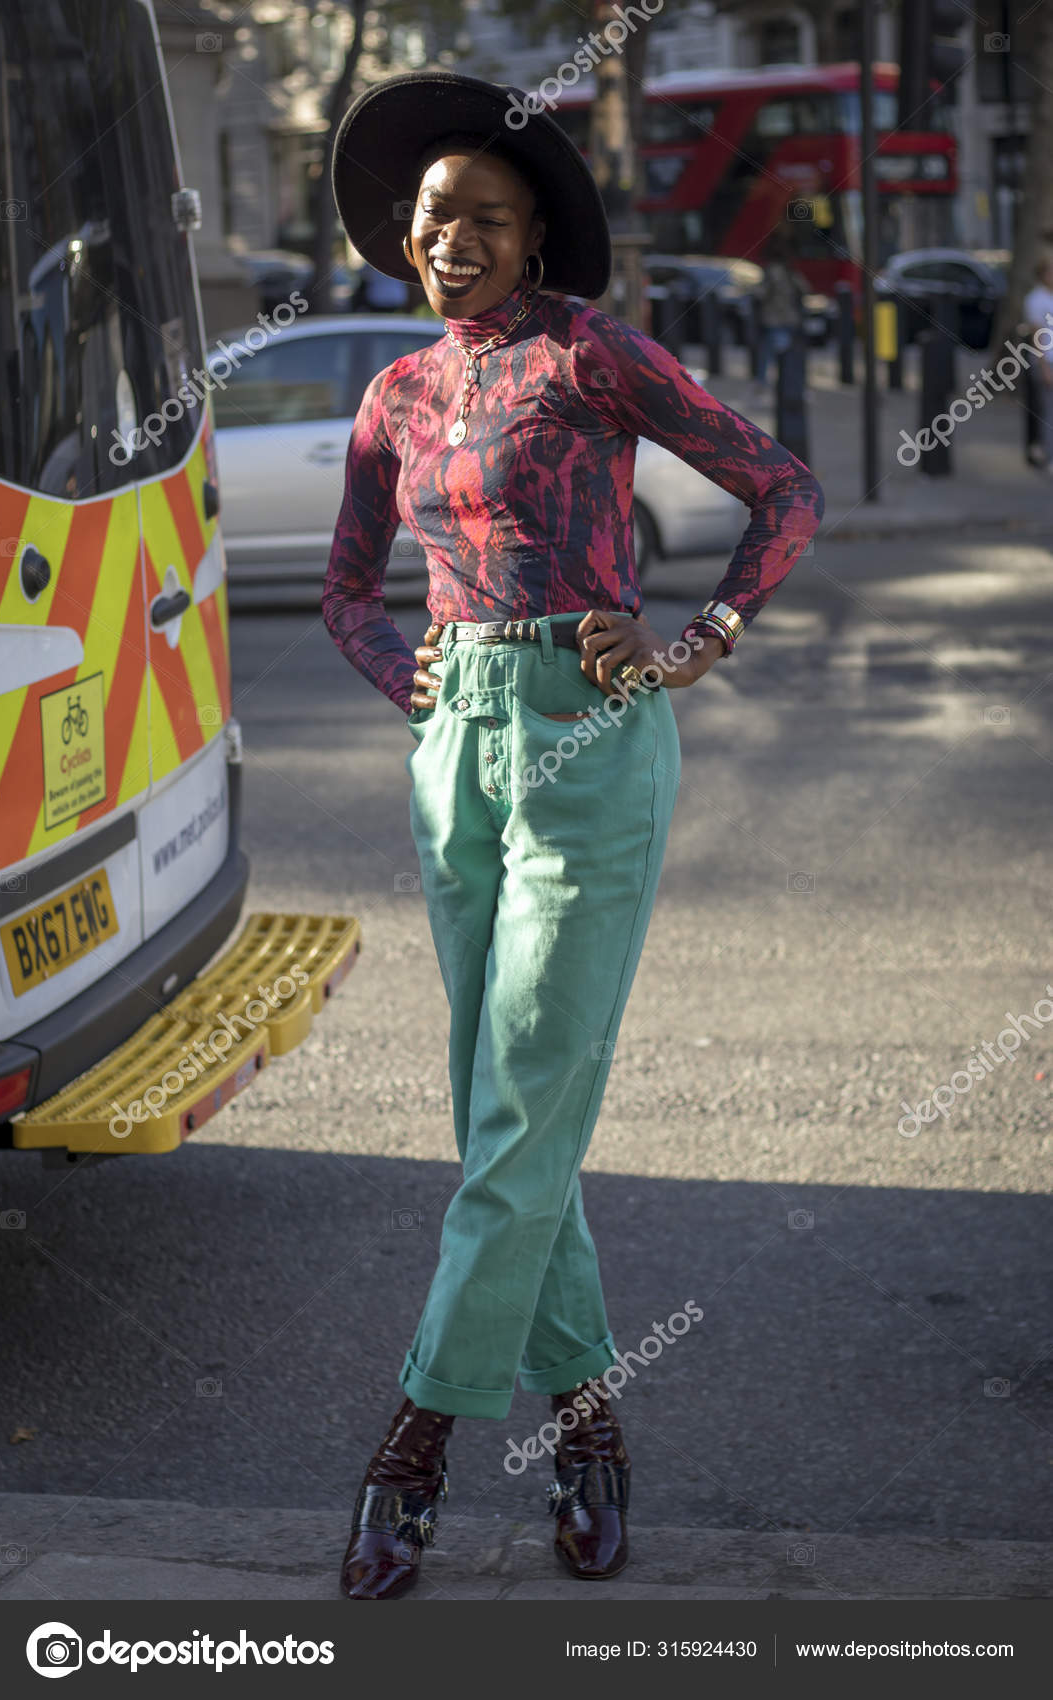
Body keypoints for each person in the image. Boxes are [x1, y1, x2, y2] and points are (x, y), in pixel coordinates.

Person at [323, 69, 824, 1602]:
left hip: (586, 735)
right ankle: (589, 1429)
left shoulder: (590, 353)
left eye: (480, 215)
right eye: (430, 220)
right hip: (453, 750)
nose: (450, 240)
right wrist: (390, 666)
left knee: (524, 1091)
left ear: (535, 233)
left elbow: (781, 486)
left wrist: (697, 638)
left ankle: (409, 1445)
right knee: (508, 1110)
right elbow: (350, 584)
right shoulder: (395, 392)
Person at [753, 234, 807, 388]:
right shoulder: (791, 271)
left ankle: (764, 383)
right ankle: (790, 384)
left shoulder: (772, 272)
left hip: (773, 318)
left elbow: (761, 293)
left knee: (767, 354)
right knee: (787, 355)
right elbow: (804, 289)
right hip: (790, 318)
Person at [1022, 256, 1053, 472]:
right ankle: (1049, 457)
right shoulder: (1036, 300)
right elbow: (1036, 337)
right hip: (1048, 362)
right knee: (1048, 413)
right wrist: (1044, 368)